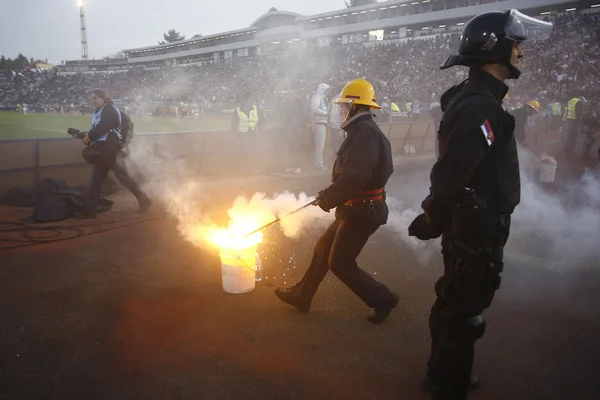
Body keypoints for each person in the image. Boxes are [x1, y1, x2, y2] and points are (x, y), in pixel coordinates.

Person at [407, 10, 552, 399]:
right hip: (475, 232)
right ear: (497, 49)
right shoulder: (479, 107)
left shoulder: (479, 100)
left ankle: (442, 373)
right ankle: (447, 385)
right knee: (464, 316)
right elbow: (451, 176)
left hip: (471, 228)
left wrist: (436, 217)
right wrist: (432, 217)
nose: (520, 52)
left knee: (454, 303)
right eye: (516, 44)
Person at [274, 79, 399, 323]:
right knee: (323, 247)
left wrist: (328, 197)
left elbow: (354, 176)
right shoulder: (362, 131)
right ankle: (302, 296)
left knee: (340, 263)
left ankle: (384, 299)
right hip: (356, 207)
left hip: (362, 210)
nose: (341, 110)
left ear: (353, 105)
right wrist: (331, 196)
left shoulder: (364, 134)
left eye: (343, 106)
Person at [77, 88, 151, 219]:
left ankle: (144, 200)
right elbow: (101, 130)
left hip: (112, 152)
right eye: (92, 98)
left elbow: (103, 128)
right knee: (96, 181)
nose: (93, 100)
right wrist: (87, 136)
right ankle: (90, 210)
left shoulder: (109, 110)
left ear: (103, 97)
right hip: (104, 151)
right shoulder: (103, 111)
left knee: (122, 178)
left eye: (95, 97)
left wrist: (90, 136)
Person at [311, 83, 330, 170]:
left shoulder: (320, 98)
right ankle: (319, 165)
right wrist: (325, 113)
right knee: (320, 146)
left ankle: (317, 164)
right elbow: (314, 108)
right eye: (326, 90)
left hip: (320, 124)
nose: (327, 92)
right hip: (318, 124)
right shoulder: (317, 97)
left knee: (319, 146)